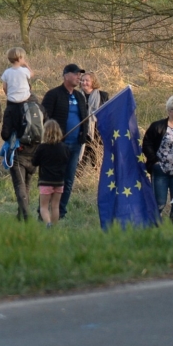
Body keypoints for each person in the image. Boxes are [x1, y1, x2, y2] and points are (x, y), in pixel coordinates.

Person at [40, 64, 89, 219]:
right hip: (57, 145)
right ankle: (44, 210)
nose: (78, 77)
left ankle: (60, 211)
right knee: (51, 180)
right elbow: (44, 117)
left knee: (68, 179)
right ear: (66, 75)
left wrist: (84, 136)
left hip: (75, 145)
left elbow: (84, 118)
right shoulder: (53, 94)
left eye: (79, 74)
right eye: (75, 74)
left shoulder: (80, 96)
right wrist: (52, 137)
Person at [142, 95, 173, 216]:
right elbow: (147, 144)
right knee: (159, 203)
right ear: (170, 111)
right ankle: (152, 227)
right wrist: (154, 162)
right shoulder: (157, 126)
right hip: (161, 170)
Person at [1, 92, 41, 222]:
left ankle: (26, 215)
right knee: (27, 185)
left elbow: (5, 134)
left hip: (19, 152)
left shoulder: (13, 107)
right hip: (35, 152)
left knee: (19, 185)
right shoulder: (39, 106)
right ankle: (20, 214)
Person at [32, 121, 71, 228]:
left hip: (45, 181)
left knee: (43, 207)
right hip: (59, 181)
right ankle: (54, 227)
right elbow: (67, 161)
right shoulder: (65, 148)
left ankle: (48, 223)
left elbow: (34, 162)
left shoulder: (42, 148)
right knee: (55, 206)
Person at [78, 72, 108, 170]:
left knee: (97, 163)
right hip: (81, 132)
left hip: (96, 133)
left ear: (93, 82)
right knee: (79, 164)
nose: (84, 83)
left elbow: (107, 114)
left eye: (87, 80)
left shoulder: (103, 95)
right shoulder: (76, 95)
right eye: (82, 80)